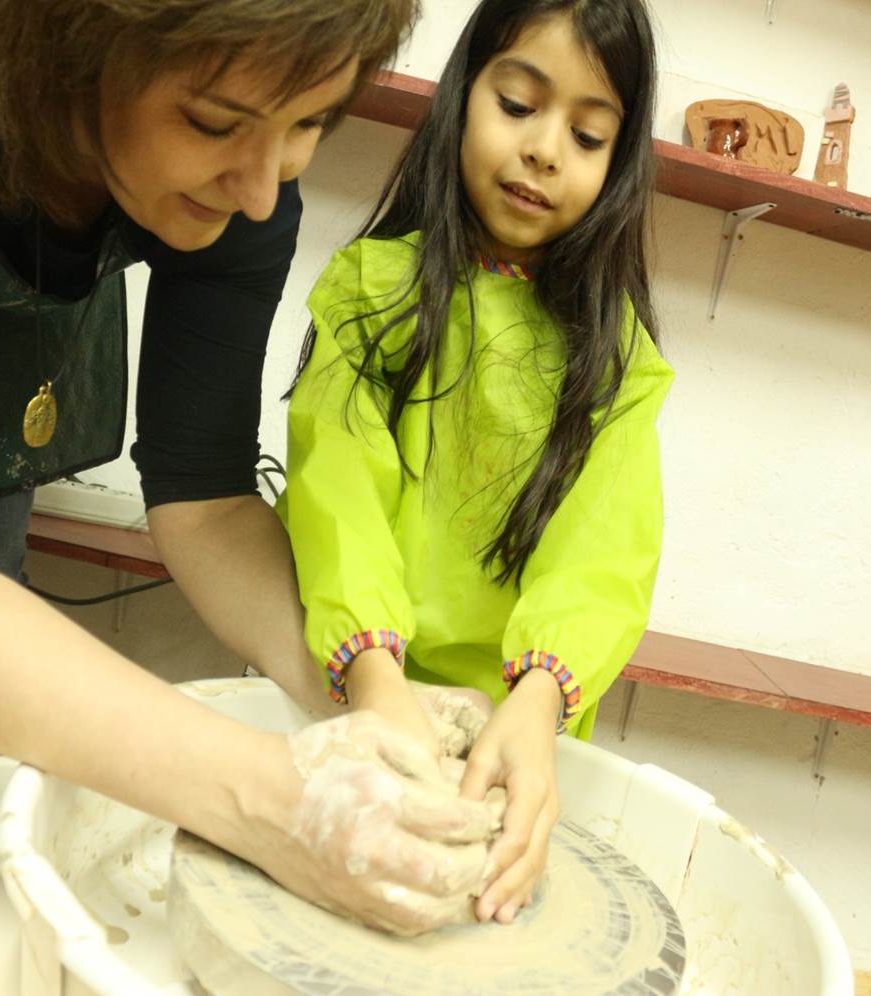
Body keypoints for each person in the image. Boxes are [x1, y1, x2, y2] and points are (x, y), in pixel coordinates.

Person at [0, 0, 497, 935]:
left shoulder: (244, 178)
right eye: (216, 124)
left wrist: (363, 695)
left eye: (310, 122)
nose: (264, 188)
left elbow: (208, 494)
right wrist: (274, 803)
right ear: (70, 52)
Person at [278, 0, 670, 926]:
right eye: (518, 104)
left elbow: (602, 555)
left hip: (521, 724)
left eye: (585, 133)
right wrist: (377, 689)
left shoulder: (616, 362)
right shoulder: (375, 294)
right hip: (363, 683)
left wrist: (537, 707)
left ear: (618, 166)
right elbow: (337, 498)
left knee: (478, 931)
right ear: (462, 97)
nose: (543, 151)